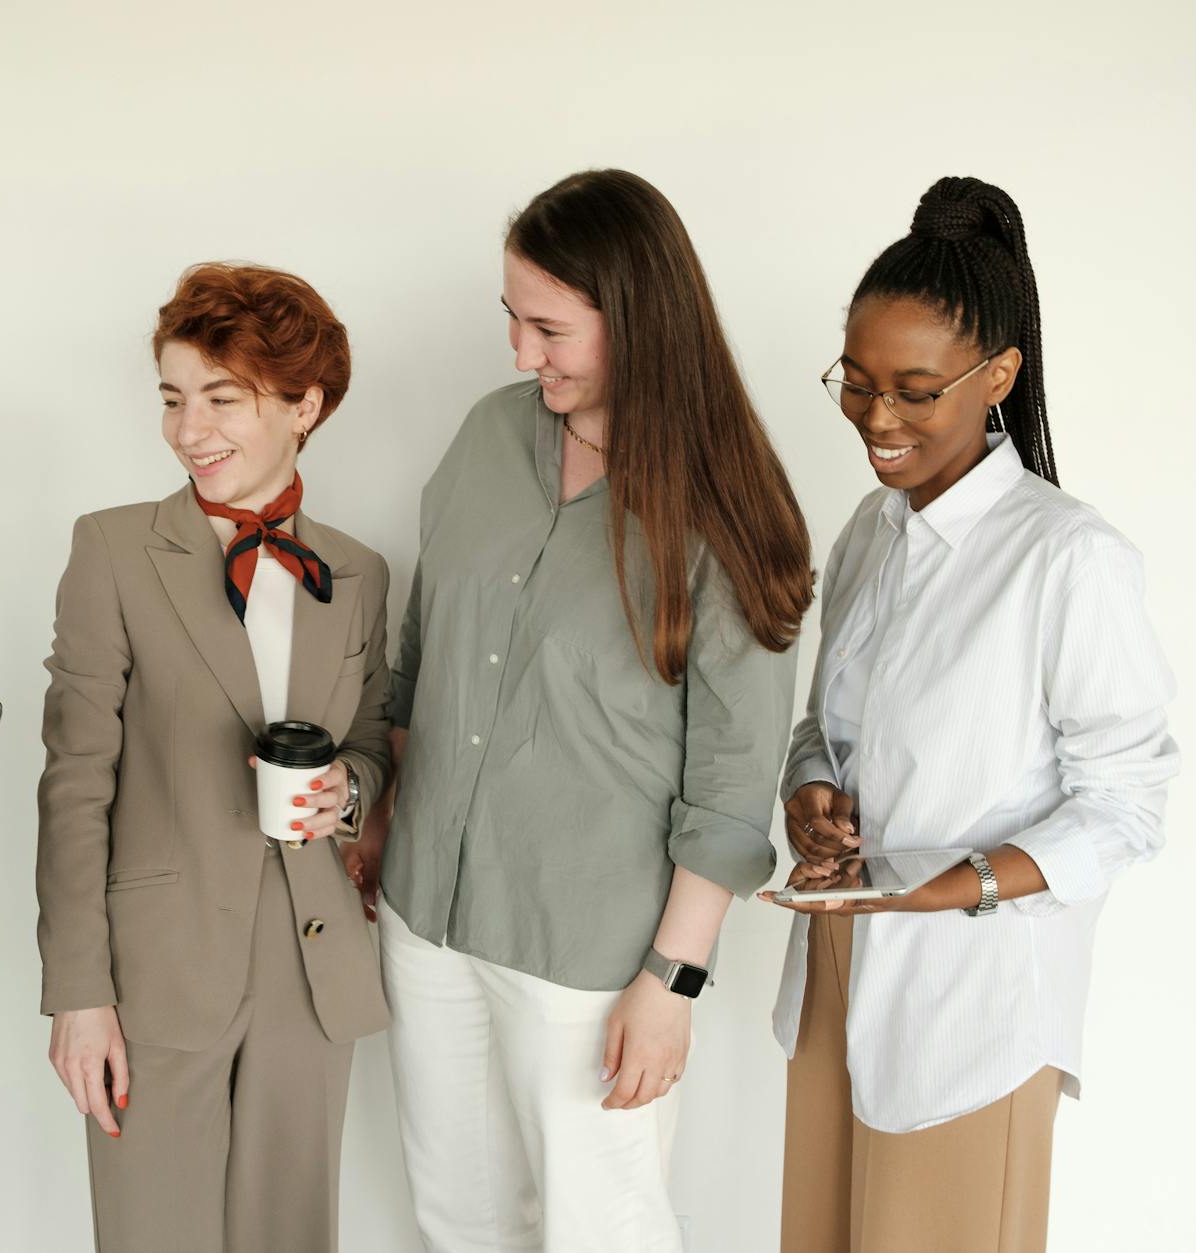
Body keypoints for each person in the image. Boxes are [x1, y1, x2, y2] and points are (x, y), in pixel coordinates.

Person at [355, 169, 812, 1252]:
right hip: (428, 915)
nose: (520, 352)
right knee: (456, 1218)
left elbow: (733, 785)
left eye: (548, 327)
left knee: (600, 1227)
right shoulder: (483, 436)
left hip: (591, 954)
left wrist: (671, 981)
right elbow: (422, 656)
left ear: (638, 320)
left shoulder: (724, 507)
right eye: (509, 318)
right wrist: (379, 818)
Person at [761, 176, 1180, 1253]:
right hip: (841, 967)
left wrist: (961, 885)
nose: (876, 419)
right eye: (853, 384)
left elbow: (1124, 803)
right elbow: (827, 725)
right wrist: (810, 791)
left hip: (971, 994)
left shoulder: (1067, 559)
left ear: (996, 375)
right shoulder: (867, 529)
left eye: (912, 390)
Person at [36, 263, 392, 1252]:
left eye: (221, 398)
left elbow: (369, 743)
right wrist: (77, 989)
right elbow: (74, 783)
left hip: (312, 969)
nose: (189, 429)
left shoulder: (358, 572)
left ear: (303, 405)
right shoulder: (110, 551)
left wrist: (346, 793)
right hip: (155, 970)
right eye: (171, 398)